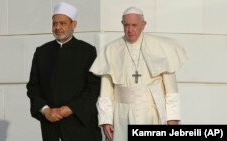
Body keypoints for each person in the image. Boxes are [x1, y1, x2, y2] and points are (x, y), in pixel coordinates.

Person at [89, 6, 188, 141]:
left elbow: (171, 90)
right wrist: (106, 120)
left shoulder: (161, 47)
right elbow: (106, 92)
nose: (130, 30)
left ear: (143, 25)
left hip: (151, 113)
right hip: (121, 115)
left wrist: (173, 118)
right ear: (122, 24)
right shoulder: (111, 49)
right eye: (126, 25)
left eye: (134, 25)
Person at [26, 2, 102, 141]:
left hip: (81, 125)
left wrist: (70, 108)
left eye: (62, 23)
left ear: (74, 25)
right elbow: (33, 87)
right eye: (55, 23)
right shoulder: (42, 52)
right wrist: (45, 110)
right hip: (51, 125)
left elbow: (94, 87)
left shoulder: (87, 51)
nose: (58, 27)